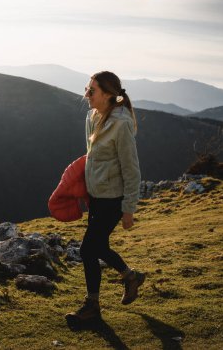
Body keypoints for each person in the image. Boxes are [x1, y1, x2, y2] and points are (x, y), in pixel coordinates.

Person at [65, 71, 145, 323]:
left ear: (109, 95)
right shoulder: (92, 116)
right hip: (97, 196)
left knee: (88, 249)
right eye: (86, 89)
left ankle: (92, 307)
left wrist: (129, 208)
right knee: (97, 246)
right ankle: (130, 277)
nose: (86, 94)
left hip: (113, 199)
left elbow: (131, 169)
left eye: (92, 91)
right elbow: (93, 157)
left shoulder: (120, 124)